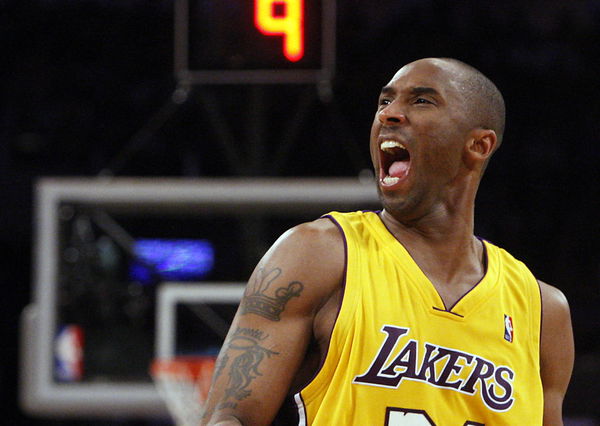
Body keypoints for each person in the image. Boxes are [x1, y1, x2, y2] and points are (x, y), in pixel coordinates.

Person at [200, 57, 574, 425]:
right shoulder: (319, 254)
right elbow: (228, 417)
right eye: (384, 102)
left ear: (478, 145)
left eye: (421, 100)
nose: (389, 114)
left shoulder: (542, 311)